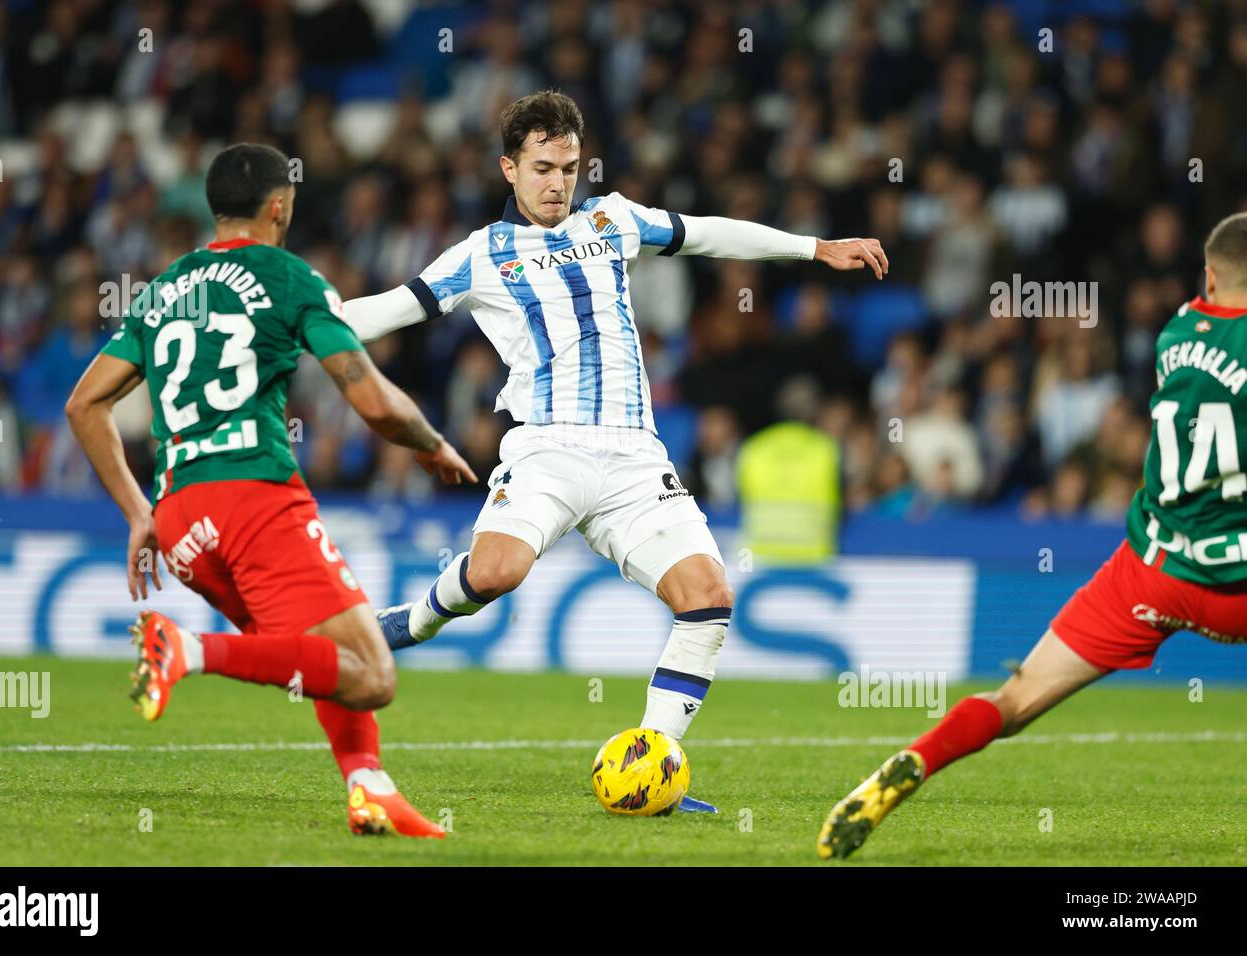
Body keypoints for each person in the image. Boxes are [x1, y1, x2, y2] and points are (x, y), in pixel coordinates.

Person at [343, 90, 888, 813]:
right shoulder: (480, 256)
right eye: (541, 167)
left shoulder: (613, 218)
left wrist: (812, 247)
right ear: (508, 168)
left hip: (635, 458)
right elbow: (387, 310)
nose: (557, 182)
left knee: (709, 598)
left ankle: (654, 768)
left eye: (568, 166)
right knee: (495, 573)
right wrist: (295, 320)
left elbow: (708, 233)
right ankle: (410, 623)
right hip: (547, 449)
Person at [65, 143, 476, 838]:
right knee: (372, 673)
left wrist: (139, 513)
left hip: (180, 523)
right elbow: (371, 400)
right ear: (279, 206)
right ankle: (187, 649)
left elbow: (84, 405)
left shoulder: (164, 289)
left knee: (325, 659)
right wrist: (431, 442)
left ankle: (368, 786)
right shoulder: (291, 278)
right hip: (252, 499)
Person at [817, 211, 1247, 859]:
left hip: (1153, 570)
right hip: (1237, 582)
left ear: (1210, 276)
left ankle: (916, 757)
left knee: (1014, 699)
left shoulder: (1175, 332)